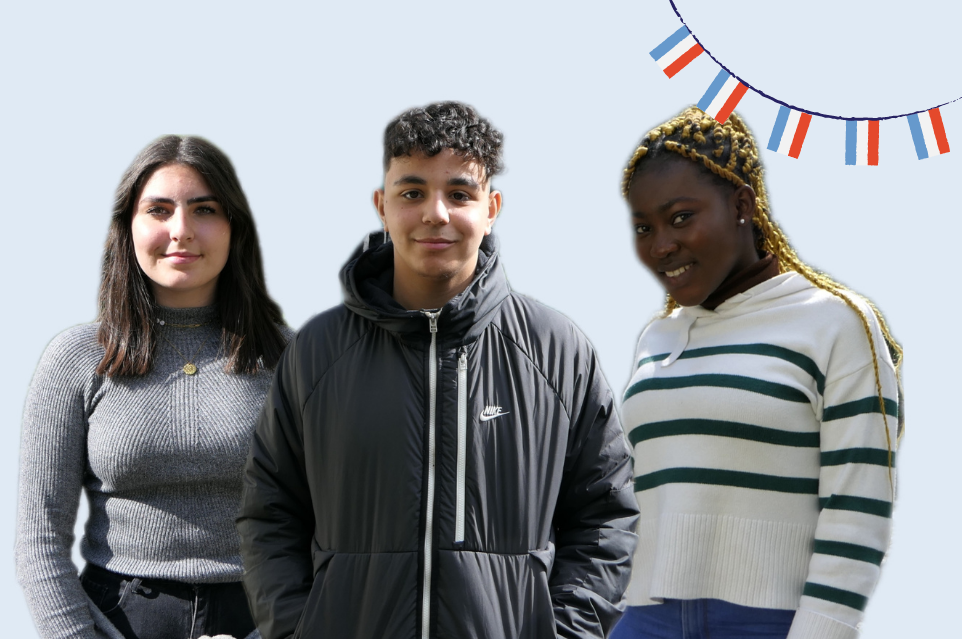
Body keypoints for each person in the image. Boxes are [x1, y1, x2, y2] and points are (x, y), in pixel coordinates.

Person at [236, 101, 639, 639]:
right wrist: (295, 630)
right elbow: (270, 513)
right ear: (382, 205)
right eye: (412, 193)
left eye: (459, 193)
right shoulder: (318, 352)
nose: (436, 214)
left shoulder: (556, 350)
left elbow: (605, 517)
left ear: (491, 206)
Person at [613, 106, 902, 639]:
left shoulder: (837, 322)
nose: (661, 246)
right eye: (643, 227)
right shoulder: (660, 336)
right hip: (644, 619)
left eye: (680, 217)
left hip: (771, 623)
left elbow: (858, 502)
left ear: (742, 205)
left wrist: (820, 630)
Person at [16, 135, 290, 639]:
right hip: (116, 619)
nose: (181, 230)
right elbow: (39, 541)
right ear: (128, 228)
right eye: (158, 210)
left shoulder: (294, 360)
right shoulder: (76, 359)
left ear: (234, 228)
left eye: (203, 209)